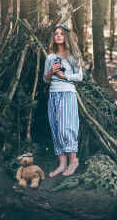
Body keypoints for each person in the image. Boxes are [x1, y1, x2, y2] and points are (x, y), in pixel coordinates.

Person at [43, 24, 83, 177]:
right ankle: (62, 164)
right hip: (53, 94)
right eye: (56, 33)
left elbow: (79, 77)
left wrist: (63, 76)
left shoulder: (74, 56)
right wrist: (51, 71)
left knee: (67, 128)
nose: (58, 36)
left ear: (66, 36)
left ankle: (73, 161)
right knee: (56, 127)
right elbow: (45, 80)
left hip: (67, 93)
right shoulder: (50, 58)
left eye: (61, 33)